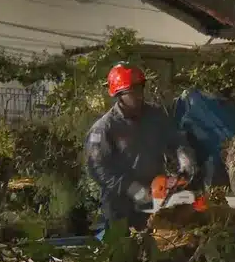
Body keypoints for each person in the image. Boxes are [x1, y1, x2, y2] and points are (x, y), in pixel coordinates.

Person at [84, 63, 196, 230]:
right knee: (126, 251)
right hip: (120, 206)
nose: (138, 95)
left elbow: (177, 140)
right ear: (119, 94)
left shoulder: (155, 116)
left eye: (140, 89)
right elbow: (98, 168)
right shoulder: (104, 129)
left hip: (155, 198)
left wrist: (185, 160)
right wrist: (131, 187)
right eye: (132, 91)